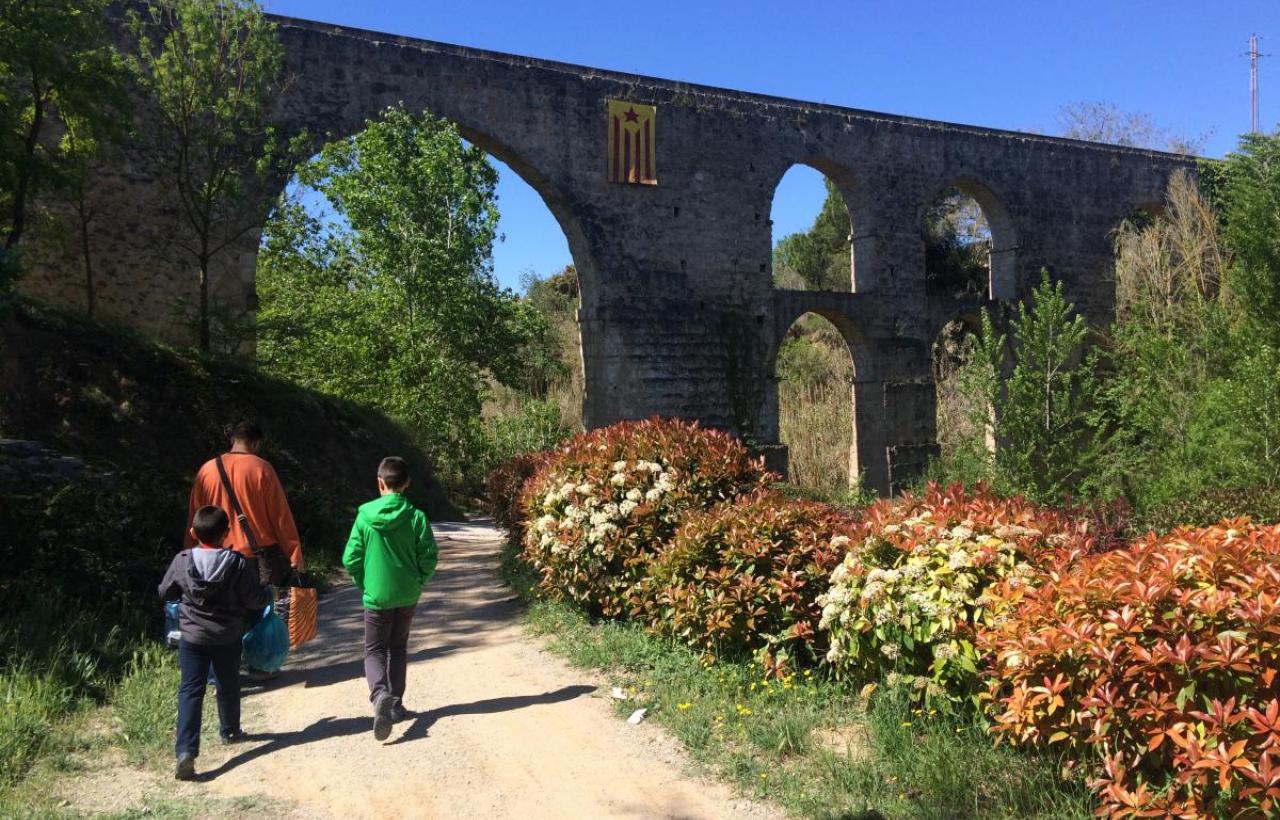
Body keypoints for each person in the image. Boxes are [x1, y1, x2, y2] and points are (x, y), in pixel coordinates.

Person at [159, 506, 272, 781]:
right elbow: (252, 600)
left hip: (192, 638)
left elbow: (165, 592)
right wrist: (266, 593)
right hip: (227, 636)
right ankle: (230, 730)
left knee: (190, 690)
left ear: (193, 533)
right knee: (228, 682)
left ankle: (186, 751)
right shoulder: (237, 563)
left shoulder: (182, 560)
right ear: (227, 533)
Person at [343, 456, 438, 741]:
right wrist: (418, 580)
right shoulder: (416, 516)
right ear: (406, 483)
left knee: (374, 650)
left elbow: (351, 558)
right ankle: (395, 704)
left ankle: (379, 694)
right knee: (398, 647)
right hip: (407, 594)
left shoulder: (364, 517)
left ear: (380, 483)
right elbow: (429, 556)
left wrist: (365, 583)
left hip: (376, 597)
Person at [186, 421, 304, 584]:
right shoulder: (262, 469)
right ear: (255, 443)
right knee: (263, 607)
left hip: (215, 558)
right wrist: (294, 554)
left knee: (222, 608)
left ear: (233, 440)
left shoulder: (206, 470)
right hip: (258, 559)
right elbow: (280, 516)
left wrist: (189, 555)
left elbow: (195, 517)